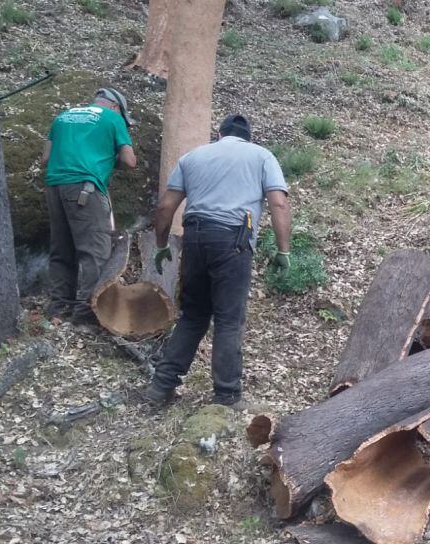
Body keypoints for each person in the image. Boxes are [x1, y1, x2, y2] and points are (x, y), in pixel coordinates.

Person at [143, 114, 291, 408]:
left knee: (193, 315)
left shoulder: (193, 157)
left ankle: (161, 388)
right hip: (232, 241)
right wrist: (283, 249)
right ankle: (227, 396)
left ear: (219, 134)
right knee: (227, 319)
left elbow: (166, 206)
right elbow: (278, 203)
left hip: (195, 237)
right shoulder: (261, 156)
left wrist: (160, 244)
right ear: (248, 137)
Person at [42, 88, 137, 325]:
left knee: (61, 249)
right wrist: (108, 157)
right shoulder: (113, 118)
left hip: (54, 187)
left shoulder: (63, 117)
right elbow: (129, 161)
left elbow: (45, 158)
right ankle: (87, 313)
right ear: (116, 107)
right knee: (94, 251)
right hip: (85, 190)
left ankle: (58, 308)